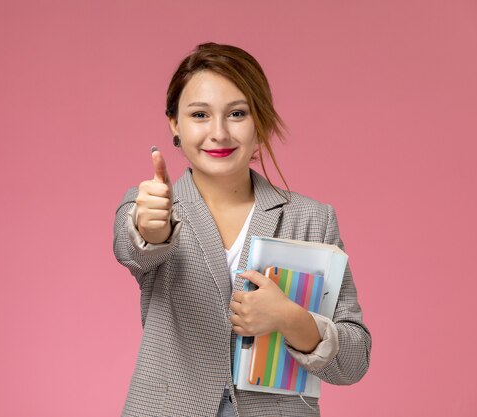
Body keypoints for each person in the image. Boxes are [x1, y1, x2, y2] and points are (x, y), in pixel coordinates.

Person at [113, 42, 371, 417]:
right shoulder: (149, 205)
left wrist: (291, 319)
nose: (218, 133)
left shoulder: (313, 219)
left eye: (237, 113)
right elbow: (132, 245)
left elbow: (354, 360)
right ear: (175, 124)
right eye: (199, 114)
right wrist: (150, 231)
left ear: (260, 122)